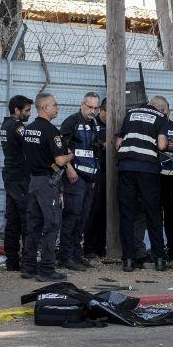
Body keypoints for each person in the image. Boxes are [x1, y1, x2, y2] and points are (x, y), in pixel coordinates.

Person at [21, 93, 74, 281]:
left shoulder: (29, 129)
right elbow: (60, 159)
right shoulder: (51, 131)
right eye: (54, 105)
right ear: (44, 107)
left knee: (33, 225)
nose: (57, 108)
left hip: (33, 182)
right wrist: (71, 156)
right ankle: (46, 269)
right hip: (47, 183)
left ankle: (28, 268)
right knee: (52, 224)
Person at [116, 97, 169, 272]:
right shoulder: (160, 118)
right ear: (161, 109)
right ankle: (159, 259)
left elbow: (118, 144)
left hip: (126, 168)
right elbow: (161, 145)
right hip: (148, 170)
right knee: (153, 213)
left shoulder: (130, 114)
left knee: (127, 214)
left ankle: (128, 260)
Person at [57, 92, 101, 271]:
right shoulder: (71, 121)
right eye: (89, 107)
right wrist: (69, 168)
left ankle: (76, 254)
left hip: (90, 178)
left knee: (83, 218)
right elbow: (60, 145)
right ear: (82, 104)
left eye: (95, 108)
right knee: (72, 217)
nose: (92, 111)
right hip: (75, 178)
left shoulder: (94, 124)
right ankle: (65, 257)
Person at [0, 94, 33, 272]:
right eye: (27, 110)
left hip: (11, 178)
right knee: (26, 221)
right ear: (17, 110)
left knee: (12, 222)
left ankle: (12, 261)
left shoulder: (5, 125)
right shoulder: (17, 126)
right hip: (20, 179)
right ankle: (28, 262)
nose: (30, 114)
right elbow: (31, 145)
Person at [153, 97, 173, 260]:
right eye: (158, 112)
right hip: (153, 177)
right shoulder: (151, 125)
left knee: (172, 216)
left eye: (163, 112)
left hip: (172, 179)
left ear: (169, 110)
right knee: (154, 215)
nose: (161, 115)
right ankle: (156, 251)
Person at [82, 98, 108, 258]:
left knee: (106, 212)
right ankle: (89, 247)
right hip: (94, 173)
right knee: (93, 211)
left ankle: (100, 246)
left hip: (109, 174)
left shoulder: (115, 125)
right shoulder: (93, 125)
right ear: (102, 110)